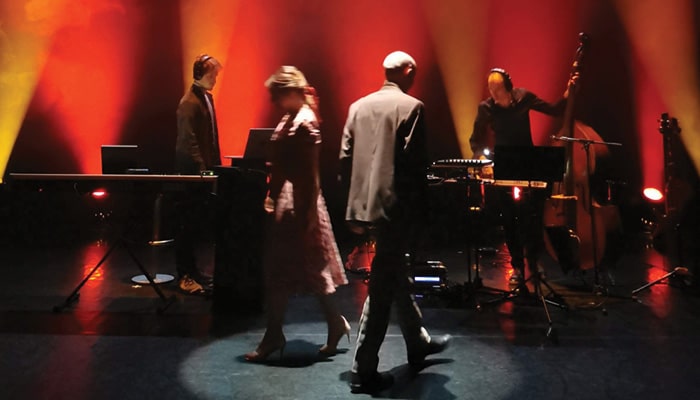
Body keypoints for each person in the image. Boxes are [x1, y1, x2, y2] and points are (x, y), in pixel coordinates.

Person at [339, 51, 451, 394]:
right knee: (382, 286)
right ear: (408, 71)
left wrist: (355, 203)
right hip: (394, 209)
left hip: (363, 206)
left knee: (393, 273)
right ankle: (363, 367)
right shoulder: (412, 107)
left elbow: (345, 158)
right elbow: (414, 167)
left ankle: (418, 342)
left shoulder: (357, 107)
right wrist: (423, 215)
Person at [244, 66, 350, 362]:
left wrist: (309, 212)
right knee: (303, 269)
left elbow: (311, 173)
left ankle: (276, 335)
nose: (273, 102)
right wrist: (273, 194)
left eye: (276, 95)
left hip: (299, 202)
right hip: (290, 202)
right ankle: (330, 324)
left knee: (297, 269)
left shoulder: (304, 122)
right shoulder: (292, 117)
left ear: (290, 92)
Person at [469, 68, 568, 286]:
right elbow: (475, 140)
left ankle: (533, 262)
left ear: (508, 87)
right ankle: (517, 266)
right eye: (491, 89)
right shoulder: (486, 108)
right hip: (503, 164)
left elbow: (554, 110)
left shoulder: (524, 97)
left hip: (527, 161)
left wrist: (568, 93)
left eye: (497, 89)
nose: (493, 94)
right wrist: (481, 159)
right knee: (509, 218)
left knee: (532, 216)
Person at [174, 54, 223, 294]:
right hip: (192, 178)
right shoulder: (189, 103)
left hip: (203, 175)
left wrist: (216, 169)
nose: (215, 79)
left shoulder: (205, 99)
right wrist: (202, 172)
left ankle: (192, 272)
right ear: (200, 74)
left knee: (194, 228)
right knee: (186, 228)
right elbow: (188, 143)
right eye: (212, 75)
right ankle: (185, 275)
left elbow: (211, 139)